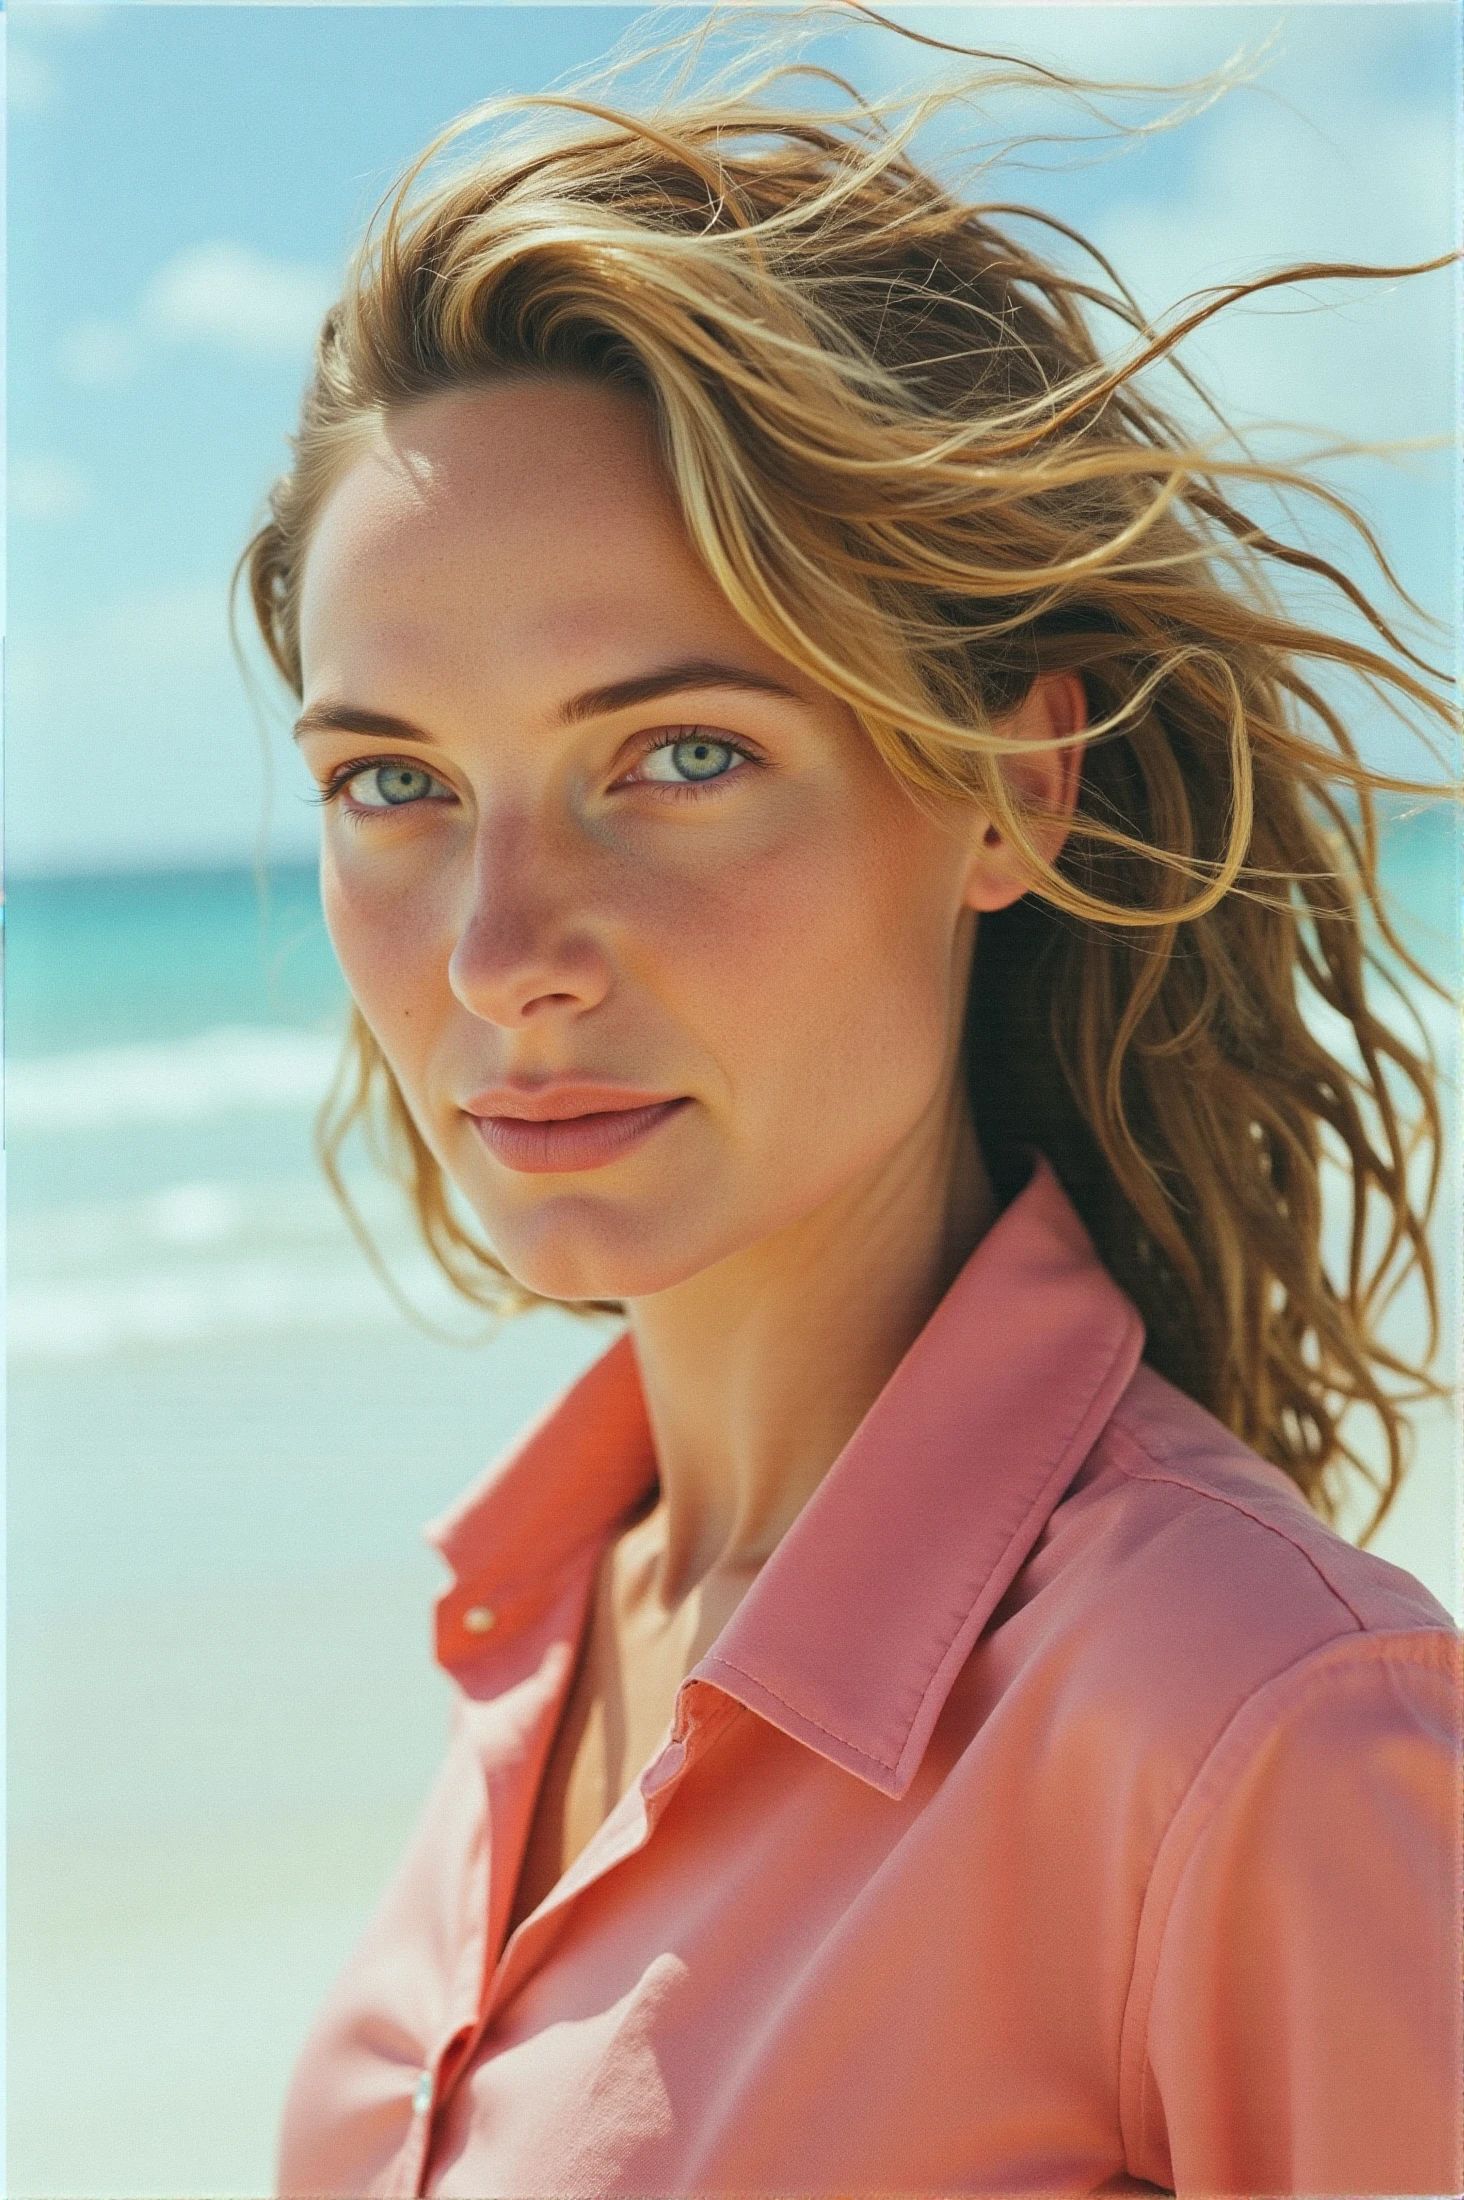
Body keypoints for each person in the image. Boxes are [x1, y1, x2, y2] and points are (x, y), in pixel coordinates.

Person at [237, 17, 1460, 2196]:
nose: (501, 944)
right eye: (395, 783)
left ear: (1009, 780)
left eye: (679, 753)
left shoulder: (1245, 1718)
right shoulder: (552, 1626)